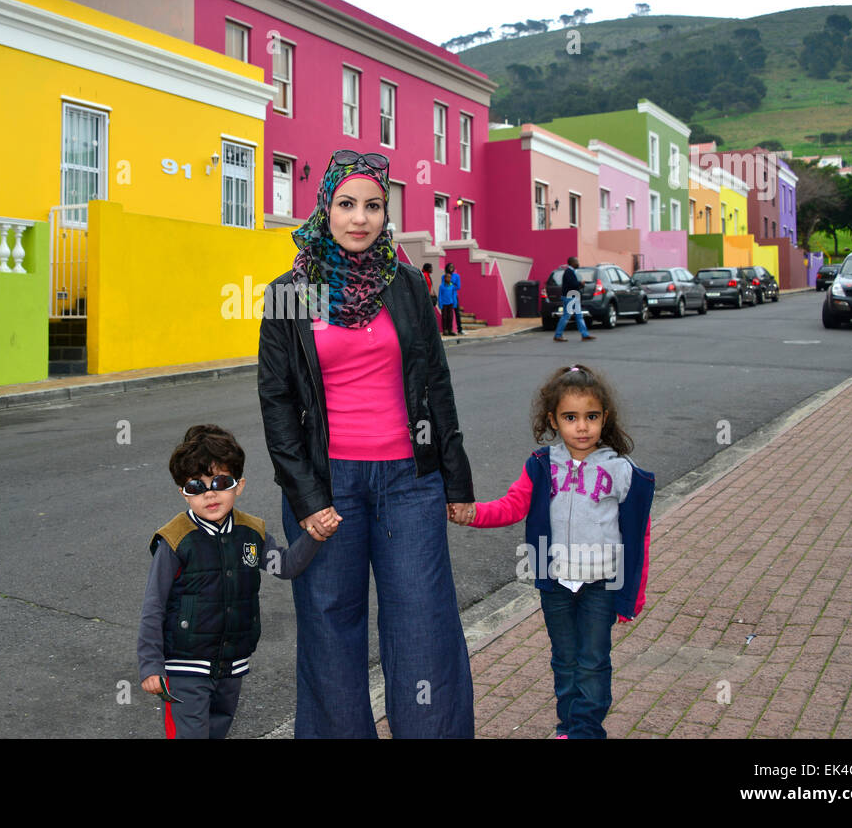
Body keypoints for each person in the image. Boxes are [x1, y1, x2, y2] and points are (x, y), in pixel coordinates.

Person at [257, 148, 476, 739]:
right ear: (325, 207)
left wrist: (456, 482)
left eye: (373, 206)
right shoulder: (292, 292)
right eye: (347, 204)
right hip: (329, 489)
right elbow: (276, 406)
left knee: (424, 626)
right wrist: (306, 497)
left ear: (386, 214)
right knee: (330, 630)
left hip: (410, 482)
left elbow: (436, 385)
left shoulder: (407, 286)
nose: (360, 218)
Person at [450, 364, 653, 739]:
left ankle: (585, 731)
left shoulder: (622, 471)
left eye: (591, 417)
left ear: (604, 418)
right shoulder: (542, 466)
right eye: (570, 417)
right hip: (556, 582)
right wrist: (473, 513)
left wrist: (632, 593)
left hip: (601, 585)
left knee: (592, 662)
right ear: (553, 420)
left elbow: (638, 534)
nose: (582, 427)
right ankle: (568, 726)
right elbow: (512, 506)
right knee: (564, 661)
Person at [138, 424, 335, 739]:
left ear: (239, 485)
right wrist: (151, 665)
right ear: (183, 493)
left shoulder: (250, 533)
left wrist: (314, 536)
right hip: (184, 665)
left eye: (221, 482)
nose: (210, 493)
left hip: (232, 662)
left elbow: (284, 566)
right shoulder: (175, 540)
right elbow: (154, 604)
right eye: (196, 486)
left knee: (217, 730)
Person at [555, 256, 595, 342]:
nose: (578, 263)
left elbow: (572, 284)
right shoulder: (568, 272)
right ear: (572, 263)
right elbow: (572, 284)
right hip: (570, 297)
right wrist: (580, 283)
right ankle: (558, 335)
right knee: (566, 316)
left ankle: (585, 335)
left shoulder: (571, 271)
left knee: (579, 316)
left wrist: (579, 284)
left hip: (573, 297)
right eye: (577, 262)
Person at [445, 262, 465, 334]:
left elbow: (458, 287)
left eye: (452, 267)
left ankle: (460, 329)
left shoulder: (456, 276)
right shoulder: (444, 276)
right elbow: (444, 285)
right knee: (447, 314)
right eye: (450, 267)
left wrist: (450, 284)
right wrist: (451, 285)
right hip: (446, 296)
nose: (451, 268)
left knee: (457, 313)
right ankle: (447, 330)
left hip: (454, 296)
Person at [438, 270, 459, 336]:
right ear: (444, 278)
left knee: (450, 317)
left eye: (450, 277)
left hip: (450, 303)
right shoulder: (441, 286)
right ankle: (445, 330)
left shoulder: (452, 286)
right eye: (447, 277)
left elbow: (453, 295)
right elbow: (440, 295)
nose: (448, 279)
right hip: (444, 304)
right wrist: (440, 303)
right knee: (444, 317)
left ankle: (450, 330)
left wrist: (454, 303)